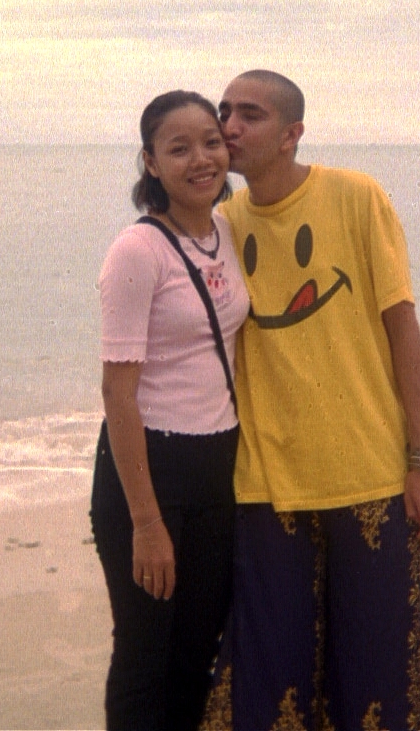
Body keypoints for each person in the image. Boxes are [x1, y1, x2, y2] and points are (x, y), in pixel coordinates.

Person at [201, 70, 420, 731]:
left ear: (292, 134)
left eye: (251, 115)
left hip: (372, 475)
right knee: (272, 682)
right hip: (266, 486)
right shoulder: (221, 224)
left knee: (392, 675)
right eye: (225, 112)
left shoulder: (356, 197)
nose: (230, 127)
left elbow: (402, 329)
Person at [91, 90, 251, 731]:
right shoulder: (138, 250)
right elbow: (117, 393)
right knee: (144, 652)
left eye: (211, 142)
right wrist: (147, 522)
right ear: (151, 163)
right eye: (179, 148)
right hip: (149, 467)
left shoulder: (228, 230)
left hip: (219, 462)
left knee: (197, 650)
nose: (201, 159)